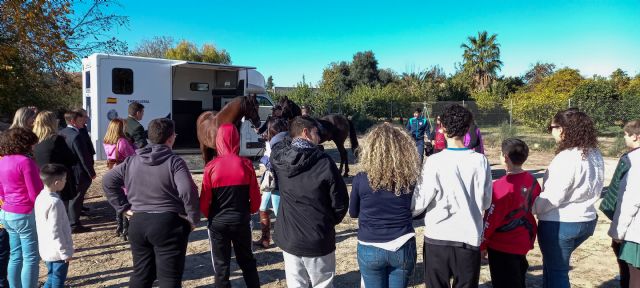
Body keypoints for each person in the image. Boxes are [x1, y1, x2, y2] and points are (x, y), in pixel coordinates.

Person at [103, 118, 200, 287]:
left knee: (141, 275)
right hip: (167, 224)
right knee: (169, 278)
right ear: (171, 138)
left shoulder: (132, 161)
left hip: (138, 223)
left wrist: (123, 207)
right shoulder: (175, 162)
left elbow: (108, 181)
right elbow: (187, 190)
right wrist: (192, 217)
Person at [412, 104, 492, 288]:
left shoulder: (434, 162)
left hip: (438, 237)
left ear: (442, 128)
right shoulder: (480, 161)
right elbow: (486, 201)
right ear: (467, 129)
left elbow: (420, 201)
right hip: (469, 238)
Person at [271, 115, 349, 288]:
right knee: (322, 284)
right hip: (317, 238)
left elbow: (278, 144)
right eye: (316, 132)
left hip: (290, 238)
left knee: (296, 284)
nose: (320, 136)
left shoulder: (279, 159)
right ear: (305, 132)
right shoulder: (324, 162)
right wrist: (325, 222)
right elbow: (341, 202)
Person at [533, 109, 604, 288]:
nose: (552, 132)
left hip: (561, 224)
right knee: (552, 266)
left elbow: (553, 197)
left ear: (564, 129)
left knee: (557, 273)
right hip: (587, 220)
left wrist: (532, 206)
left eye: (553, 127)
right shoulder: (594, 153)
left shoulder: (566, 158)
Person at [349, 123, 421, 288]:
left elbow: (353, 212)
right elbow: (419, 212)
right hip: (402, 245)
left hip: (370, 246)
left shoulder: (361, 179)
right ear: (404, 150)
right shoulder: (409, 180)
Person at [200, 123, 261, 287]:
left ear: (218, 140)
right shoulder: (247, 164)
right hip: (241, 220)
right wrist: (250, 211)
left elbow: (204, 201)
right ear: (237, 140)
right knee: (248, 262)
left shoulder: (210, 167)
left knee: (221, 267)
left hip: (218, 223)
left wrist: (210, 216)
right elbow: (256, 199)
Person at [481, 138, 541, 288]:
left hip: (502, 245)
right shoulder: (533, 181)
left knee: (504, 282)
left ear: (505, 157)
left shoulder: (500, 187)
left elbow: (490, 219)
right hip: (522, 240)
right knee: (517, 277)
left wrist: (482, 245)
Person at [0, 128, 44, 288]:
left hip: (7, 213)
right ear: (25, 144)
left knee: (15, 255)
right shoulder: (25, 162)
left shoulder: (3, 160)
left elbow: (1, 190)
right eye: (32, 144)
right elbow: (35, 193)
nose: (34, 147)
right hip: (24, 212)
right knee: (31, 257)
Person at [601, 120, 640, 288]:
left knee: (634, 277)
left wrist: (618, 231)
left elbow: (631, 200)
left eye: (626, 134)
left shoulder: (634, 160)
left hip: (635, 232)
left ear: (636, 136)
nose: (624, 138)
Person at [34, 164, 74, 288]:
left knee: (52, 276)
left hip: (46, 249)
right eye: (65, 179)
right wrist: (64, 253)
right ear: (57, 182)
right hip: (57, 252)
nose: (66, 182)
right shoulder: (55, 202)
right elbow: (55, 230)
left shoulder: (40, 197)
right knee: (58, 279)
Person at [59, 111, 95, 233]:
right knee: (77, 198)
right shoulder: (76, 135)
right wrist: (91, 172)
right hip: (79, 172)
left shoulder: (62, 132)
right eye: (81, 120)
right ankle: (74, 223)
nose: (83, 122)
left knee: (70, 197)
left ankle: (69, 220)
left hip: (68, 171)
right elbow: (83, 157)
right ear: (73, 121)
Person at [254, 117, 288, 249]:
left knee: (279, 213)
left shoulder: (280, 143)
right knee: (263, 209)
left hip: (277, 182)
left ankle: (284, 240)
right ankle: (265, 239)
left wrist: (265, 159)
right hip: (271, 182)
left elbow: (276, 163)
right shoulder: (276, 141)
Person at [33, 110, 78, 202]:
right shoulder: (56, 139)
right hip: (56, 181)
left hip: (40, 180)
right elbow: (72, 160)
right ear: (51, 122)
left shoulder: (33, 140)